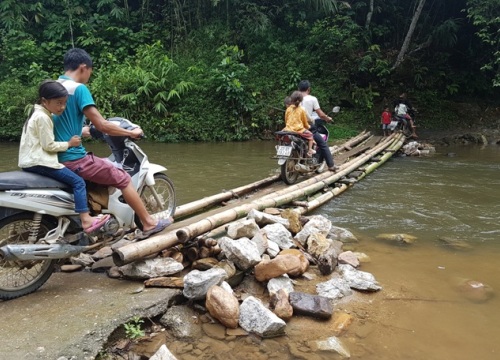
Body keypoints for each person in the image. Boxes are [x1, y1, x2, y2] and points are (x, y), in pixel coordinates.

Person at [52, 48, 173, 239]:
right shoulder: (78, 89)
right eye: (90, 71)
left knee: (103, 165)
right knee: (123, 178)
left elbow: (64, 126)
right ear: (83, 67)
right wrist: (130, 133)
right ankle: (149, 223)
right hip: (73, 158)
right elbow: (102, 124)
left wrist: (87, 132)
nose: (90, 75)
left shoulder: (53, 88)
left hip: (54, 156)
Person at [18, 80, 110, 234]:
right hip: (40, 161)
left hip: (30, 161)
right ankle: (86, 220)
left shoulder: (37, 114)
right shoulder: (43, 118)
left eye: (65, 103)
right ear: (44, 101)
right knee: (78, 182)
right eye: (58, 103)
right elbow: (49, 146)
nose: (62, 107)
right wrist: (69, 144)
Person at [298, 80, 337, 172]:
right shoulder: (312, 99)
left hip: (293, 127)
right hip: (307, 127)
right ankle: (331, 166)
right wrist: (327, 119)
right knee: (323, 144)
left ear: (298, 89)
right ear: (309, 89)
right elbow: (321, 114)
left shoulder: (294, 98)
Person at [283, 91, 316, 157]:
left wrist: (288, 126)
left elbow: (286, 120)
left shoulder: (288, 109)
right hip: (298, 130)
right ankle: (310, 150)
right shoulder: (302, 110)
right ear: (301, 100)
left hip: (288, 129)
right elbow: (304, 122)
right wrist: (308, 126)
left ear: (292, 100)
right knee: (311, 135)